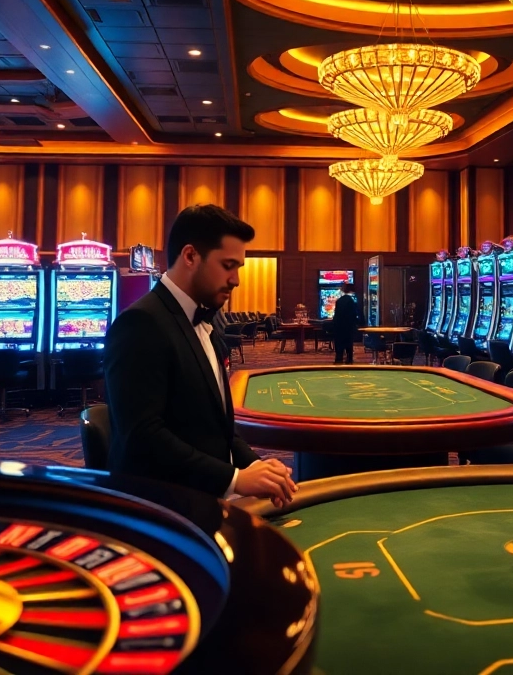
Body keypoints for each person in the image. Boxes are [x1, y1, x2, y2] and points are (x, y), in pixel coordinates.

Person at [103, 204, 296, 506]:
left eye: (238, 268)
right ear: (190, 256)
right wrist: (234, 480)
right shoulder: (141, 323)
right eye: (228, 265)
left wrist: (254, 465)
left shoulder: (205, 318)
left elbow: (216, 428)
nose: (236, 279)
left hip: (204, 496)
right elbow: (142, 437)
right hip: (162, 509)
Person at [332, 282, 361, 365]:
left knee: (339, 345)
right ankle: (349, 360)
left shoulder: (339, 301)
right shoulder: (352, 300)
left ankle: (338, 360)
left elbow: (336, 315)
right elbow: (354, 314)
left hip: (339, 326)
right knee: (349, 344)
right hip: (349, 326)